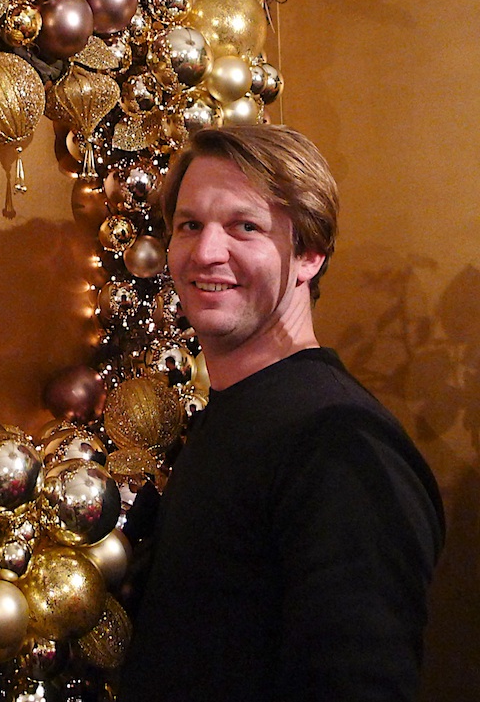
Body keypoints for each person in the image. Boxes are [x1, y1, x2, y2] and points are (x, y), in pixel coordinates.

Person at [121, 124, 444, 701]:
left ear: (309, 254)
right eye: (189, 225)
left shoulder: (338, 442)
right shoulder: (232, 414)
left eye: (245, 227)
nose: (206, 252)